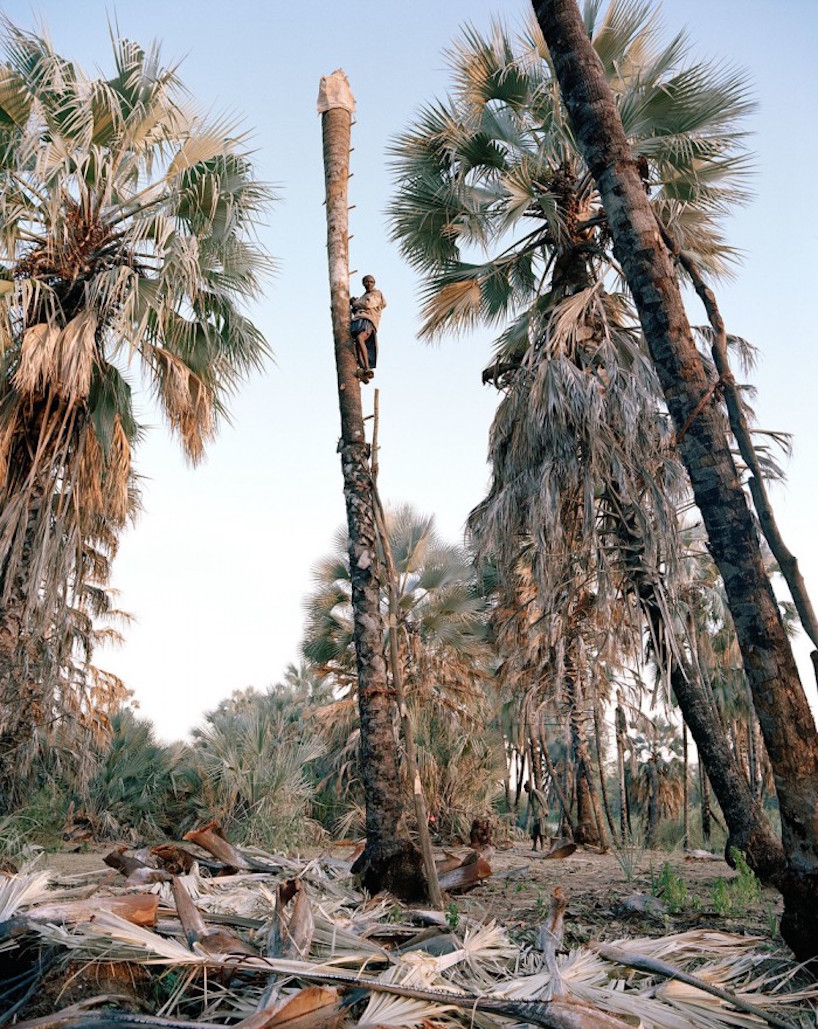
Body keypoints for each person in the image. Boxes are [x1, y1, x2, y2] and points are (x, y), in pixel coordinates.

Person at [350, 275, 386, 383]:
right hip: (358, 321)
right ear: (363, 284)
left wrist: (355, 303)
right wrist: (355, 306)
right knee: (358, 345)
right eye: (366, 282)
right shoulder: (363, 296)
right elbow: (359, 308)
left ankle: (367, 367)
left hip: (368, 321)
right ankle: (363, 371)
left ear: (374, 283)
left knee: (360, 338)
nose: (369, 283)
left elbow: (368, 303)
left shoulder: (377, 294)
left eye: (371, 281)